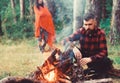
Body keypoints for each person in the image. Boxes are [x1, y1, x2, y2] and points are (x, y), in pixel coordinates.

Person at [62, 13, 114, 78]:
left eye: (90, 24)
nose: (87, 27)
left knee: (105, 60)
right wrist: (73, 48)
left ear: (95, 22)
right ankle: (65, 71)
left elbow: (104, 52)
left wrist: (90, 59)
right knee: (69, 52)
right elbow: (65, 40)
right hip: (83, 55)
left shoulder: (100, 33)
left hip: (95, 59)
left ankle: (92, 72)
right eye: (85, 24)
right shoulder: (81, 31)